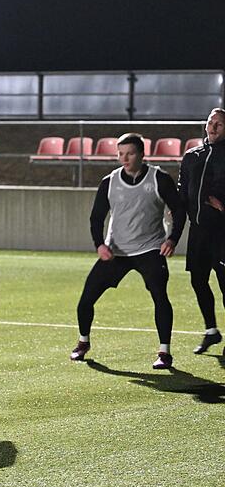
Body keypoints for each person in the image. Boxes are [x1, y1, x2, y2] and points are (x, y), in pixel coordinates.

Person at [70, 133, 184, 369]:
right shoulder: (109, 182)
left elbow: (179, 211)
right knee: (86, 299)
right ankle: (83, 342)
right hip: (116, 251)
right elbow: (96, 218)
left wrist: (172, 239)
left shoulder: (159, 179)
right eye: (120, 153)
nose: (124, 158)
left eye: (130, 153)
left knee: (160, 297)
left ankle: (164, 352)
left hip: (150, 249)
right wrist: (99, 245)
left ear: (142, 154)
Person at [178, 108, 225, 354]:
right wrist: (177, 207)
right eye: (210, 122)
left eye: (218, 123)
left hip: (222, 234)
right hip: (197, 232)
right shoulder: (192, 155)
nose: (213, 127)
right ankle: (211, 331)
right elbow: (182, 188)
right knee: (198, 280)